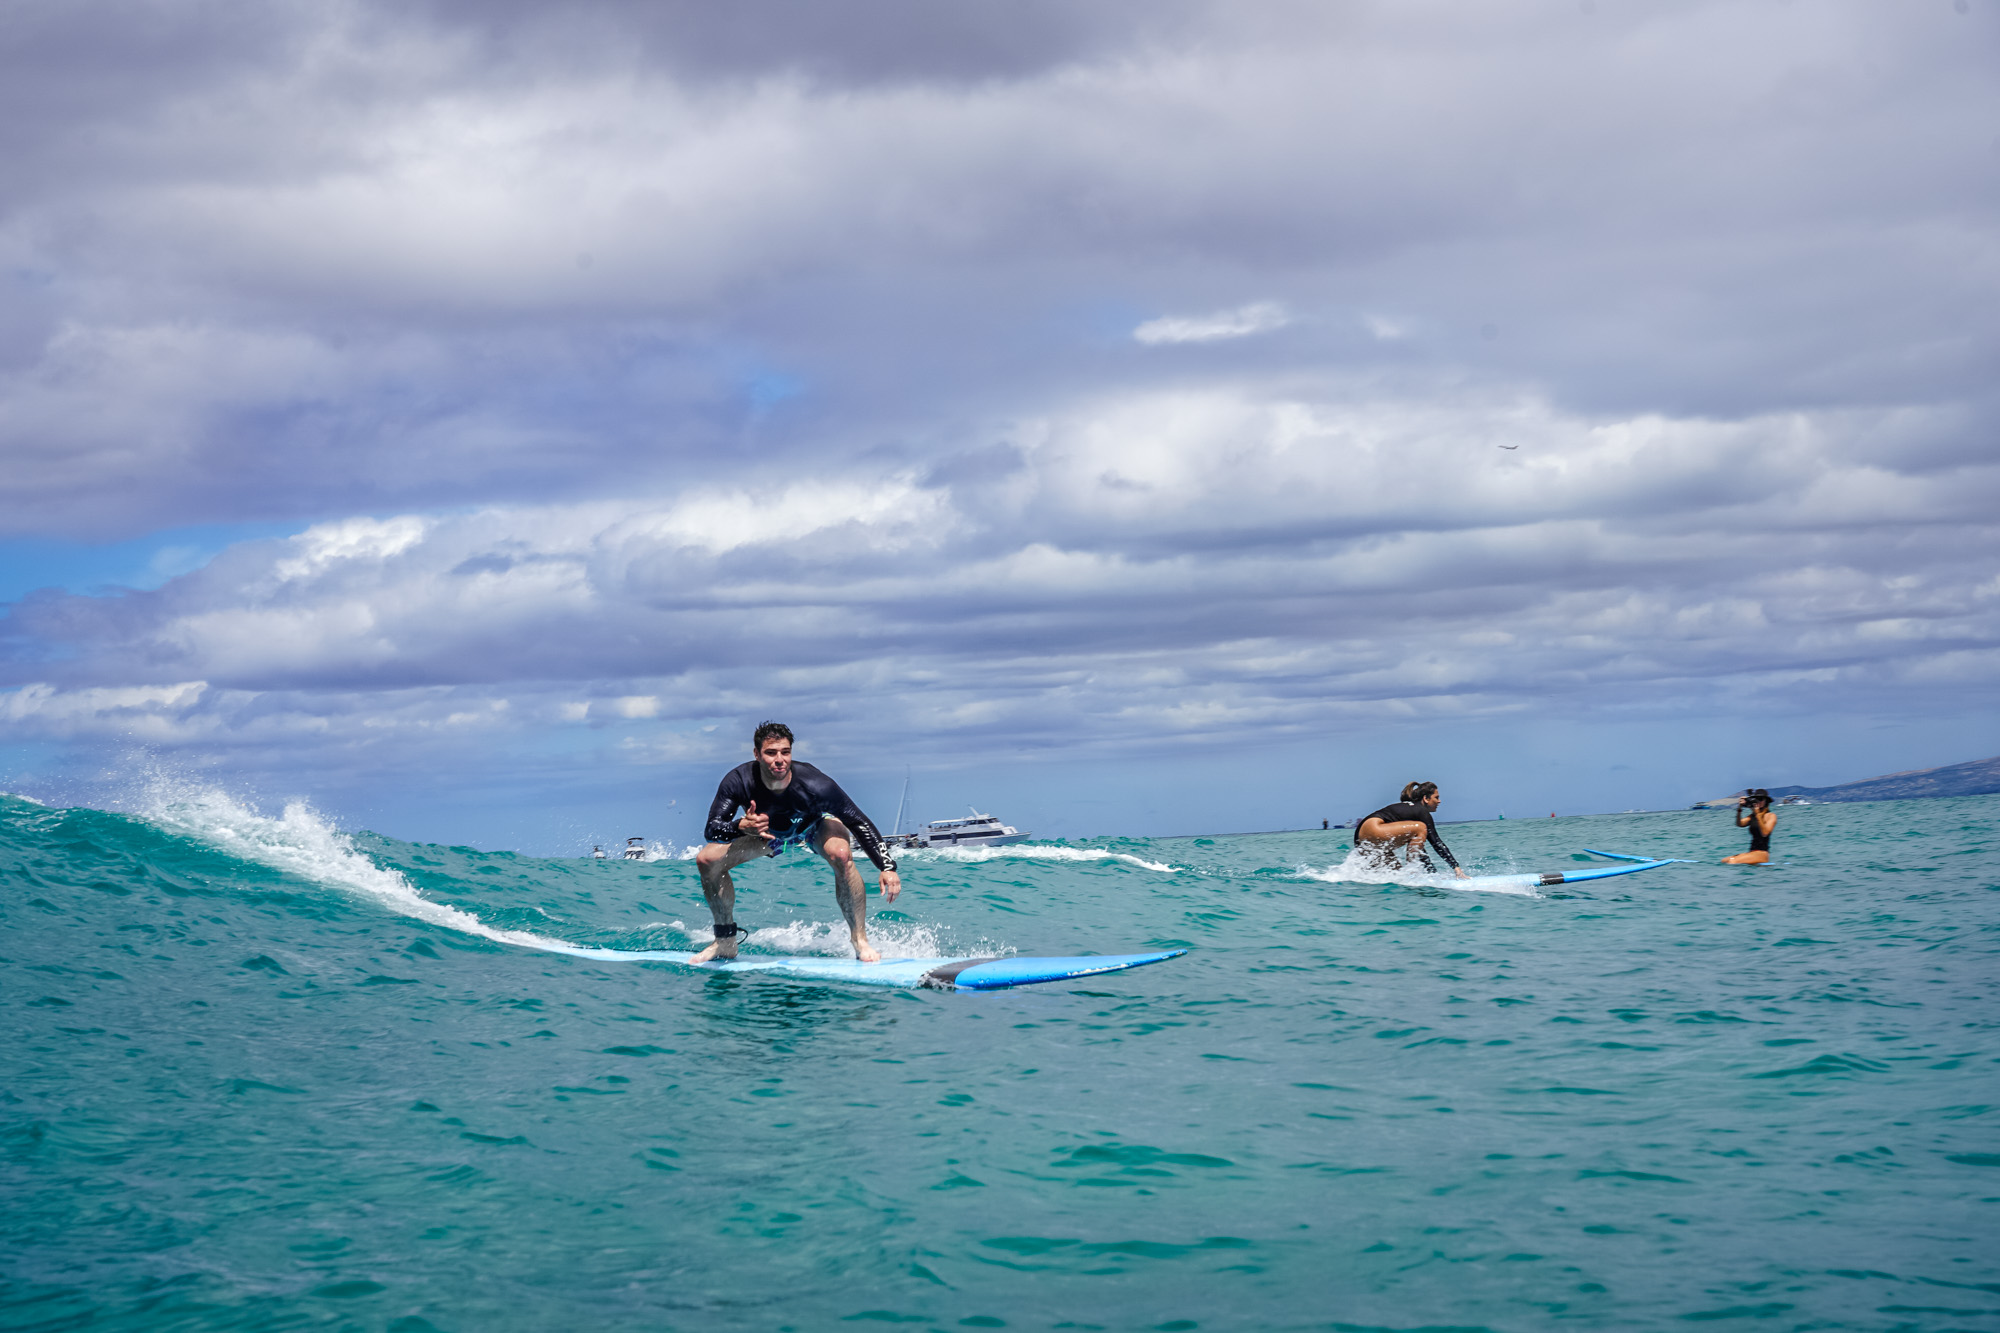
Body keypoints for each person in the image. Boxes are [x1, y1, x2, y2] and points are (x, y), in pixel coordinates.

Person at [693, 722, 902, 963]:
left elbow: (857, 821)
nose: (779, 759)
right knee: (707, 860)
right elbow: (712, 829)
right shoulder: (738, 781)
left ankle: (860, 941)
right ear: (757, 754)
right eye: (771, 753)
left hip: (813, 827)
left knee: (842, 854)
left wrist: (887, 867)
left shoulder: (816, 784)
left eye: (785, 752)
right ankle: (725, 941)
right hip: (769, 835)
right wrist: (740, 826)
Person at [1354, 782, 1468, 878]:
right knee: (1421, 827)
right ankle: (1412, 873)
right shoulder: (1421, 811)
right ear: (1426, 799)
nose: (1439, 801)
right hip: (1374, 828)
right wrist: (1456, 867)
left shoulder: (1410, 815)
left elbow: (1420, 850)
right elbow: (1436, 842)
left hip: (1361, 838)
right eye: (1436, 797)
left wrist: (1433, 874)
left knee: (1396, 875)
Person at [1722, 788, 1776, 865]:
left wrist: (1758, 815)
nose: (1758, 801)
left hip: (1762, 853)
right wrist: (1739, 809)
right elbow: (1739, 824)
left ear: (1766, 801)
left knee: (1732, 861)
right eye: (1756, 799)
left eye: (1761, 799)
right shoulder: (1752, 816)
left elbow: (1765, 833)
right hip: (1752, 852)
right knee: (1724, 860)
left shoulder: (1771, 816)